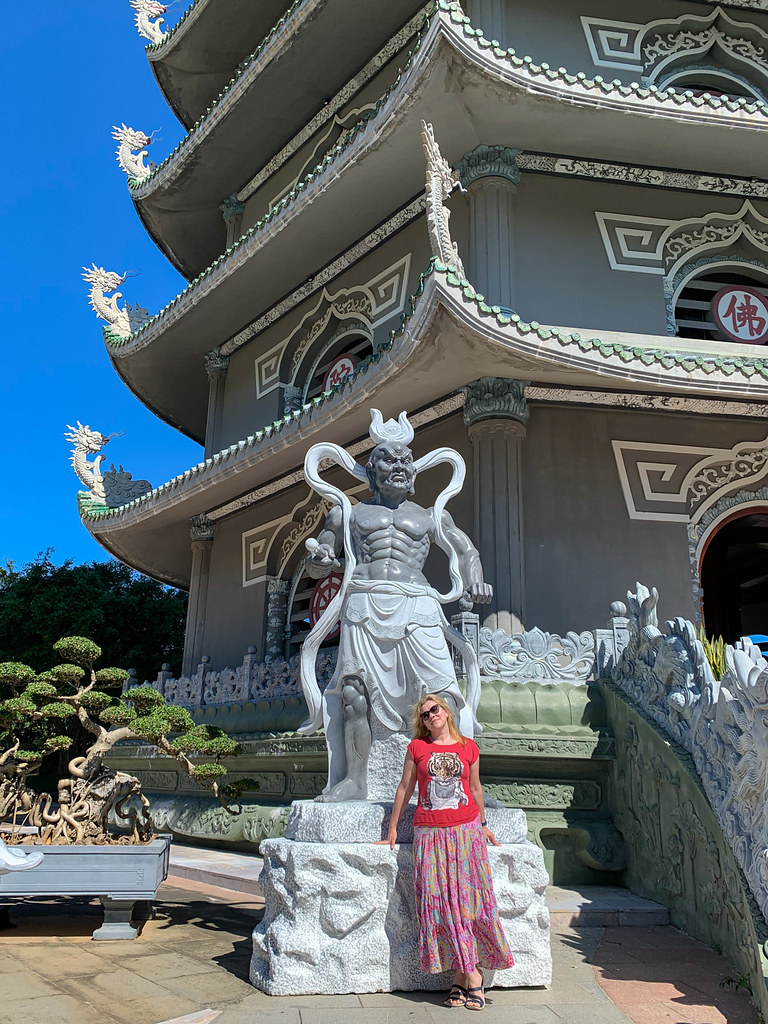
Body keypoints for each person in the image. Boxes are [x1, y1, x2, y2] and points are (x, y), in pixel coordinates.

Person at [303, 411, 491, 802]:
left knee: (442, 694)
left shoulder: (430, 516)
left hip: (417, 605)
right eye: (389, 459)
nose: (399, 466)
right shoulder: (348, 512)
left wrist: (474, 575)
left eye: (406, 460)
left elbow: (465, 549)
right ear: (371, 471)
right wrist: (319, 560)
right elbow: (319, 556)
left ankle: (464, 785)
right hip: (364, 602)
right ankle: (355, 780)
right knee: (354, 691)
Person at [377, 693, 514, 1010]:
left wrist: (483, 824)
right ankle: (469, 973)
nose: (430, 716)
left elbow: (476, 789)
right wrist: (394, 829)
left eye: (433, 710)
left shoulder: (468, 747)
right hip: (430, 835)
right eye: (424, 715)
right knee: (440, 905)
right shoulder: (417, 749)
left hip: (466, 833)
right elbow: (405, 788)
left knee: (467, 903)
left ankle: (465, 978)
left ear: (446, 711)